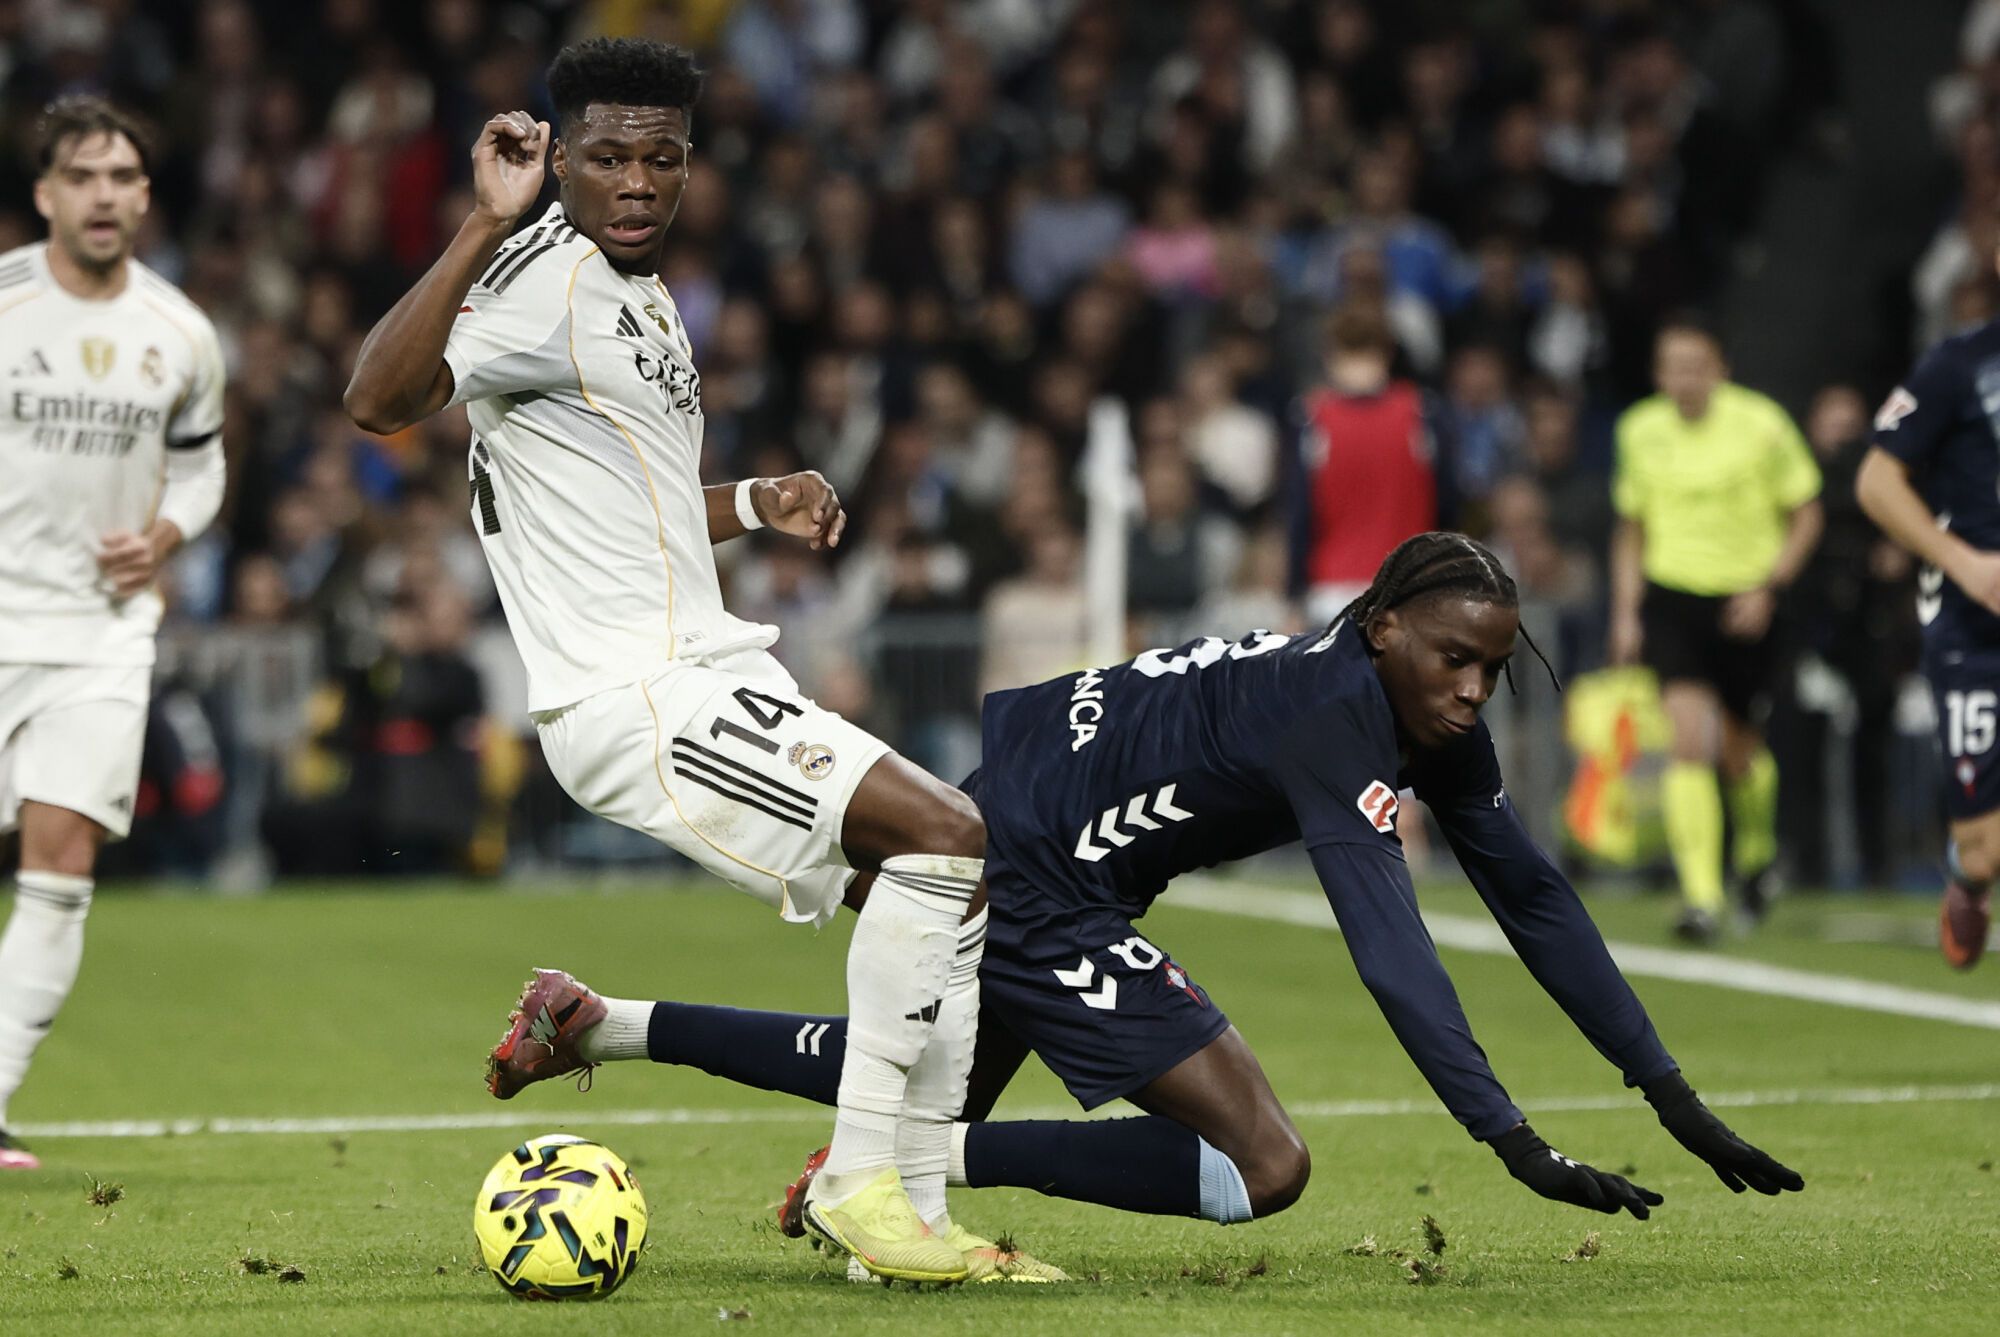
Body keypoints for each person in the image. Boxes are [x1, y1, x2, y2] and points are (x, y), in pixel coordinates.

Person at [495, 535, 1804, 1247]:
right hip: (1032, 869)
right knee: (1266, 1165)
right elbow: (1394, 953)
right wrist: (1509, 1140)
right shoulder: (1335, 713)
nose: (1474, 690)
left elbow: (1535, 901)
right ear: (1385, 626)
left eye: (1495, 668)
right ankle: (909, 1158)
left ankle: (602, 1020)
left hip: (1014, 818)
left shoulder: (1412, 702)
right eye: (1457, 659)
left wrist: (1670, 1096)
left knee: (893, 1060)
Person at [342, 38, 1008, 1285]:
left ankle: (906, 1224)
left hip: (704, 667)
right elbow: (377, 399)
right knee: (946, 835)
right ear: (558, 159)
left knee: (943, 899)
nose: (637, 181)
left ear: (689, 165)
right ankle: (862, 1182)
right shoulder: (533, 276)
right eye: (606, 157)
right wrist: (479, 228)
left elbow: (630, 503)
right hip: (634, 694)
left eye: (662, 158)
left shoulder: (641, 298)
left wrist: (754, 501)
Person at [0, 97, 228, 1172]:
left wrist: (170, 528)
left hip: (99, 634)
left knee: (61, 857)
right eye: (82, 175)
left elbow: (202, 461)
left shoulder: (180, 333)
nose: (103, 193)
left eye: (122, 176)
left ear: (144, 196)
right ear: (45, 192)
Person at [1608, 322, 1823, 941]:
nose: (1685, 378)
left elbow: (1805, 510)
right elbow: (1631, 525)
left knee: (1741, 753)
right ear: (1657, 372)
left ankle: (1755, 854)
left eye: (1696, 364)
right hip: (1674, 598)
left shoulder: (1763, 425)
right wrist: (1627, 611)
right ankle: (1701, 896)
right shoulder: (1639, 430)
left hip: (1746, 600)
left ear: (1720, 368)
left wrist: (1770, 586)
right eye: (1673, 365)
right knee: (1687, 740)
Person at [1856, 288, 2000, 968]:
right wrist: (1965, 565)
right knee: (1987, 847)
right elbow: (1878, 482)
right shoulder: (1957, 364)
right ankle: (1967, 871)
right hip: (1976, 631)